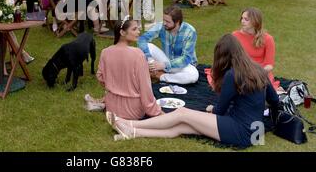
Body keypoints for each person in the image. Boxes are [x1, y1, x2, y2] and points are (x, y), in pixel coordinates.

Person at [109, 34, 279, 148]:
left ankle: (130, 123)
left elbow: (220, 110)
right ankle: (133, 132)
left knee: (182, 113)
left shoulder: (232, 75)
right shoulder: (257, 69)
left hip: (240, 131)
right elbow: (274, 100)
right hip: (253, 132)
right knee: (182, 126)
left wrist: (212, 109)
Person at [86, 17, 163, 119]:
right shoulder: (138, 54)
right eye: (134, 29)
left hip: (111, 107)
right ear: (122, 32)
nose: (139, 32)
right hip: (133, 111)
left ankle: (99, 102)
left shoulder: (105, 52)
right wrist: (157, 111)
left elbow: (100, 77)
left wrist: (114, 87)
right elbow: (145, 89)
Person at [137, 5, 199, 85]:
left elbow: (186, 58)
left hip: (183, 65)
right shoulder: (161, 26)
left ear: (177, 22)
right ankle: (154, 69)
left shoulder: (190, 31)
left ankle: (160, 76)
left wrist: (163, 65)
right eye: (163, 20)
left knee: (193, 76)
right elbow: (142, 39)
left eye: (168, 21)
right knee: (147, 46)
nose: (164, 23)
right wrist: (150, 59)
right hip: (166, 60)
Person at [232, 7, 281, 91]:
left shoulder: (268, 39)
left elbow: (269, 65)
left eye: (246, 19)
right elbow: (231, 58)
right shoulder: (235, 36)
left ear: (255, 22)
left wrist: (255, 74)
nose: (242, 21)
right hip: (240, 72)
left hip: (260, 73)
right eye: (242, 18)